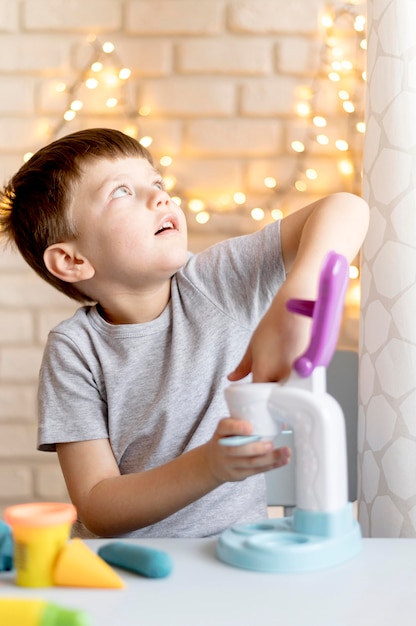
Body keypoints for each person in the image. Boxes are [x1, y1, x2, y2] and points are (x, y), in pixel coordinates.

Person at [0, 128, 369, 539]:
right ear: (72, 260)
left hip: (234, 559)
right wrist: (209, 465)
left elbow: (346, 208)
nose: (160, 196)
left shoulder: (217, 282)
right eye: (121, 192)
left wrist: (297, 294)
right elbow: (97, 505)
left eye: (155, 182)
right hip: (127, 572)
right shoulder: (74, 351)